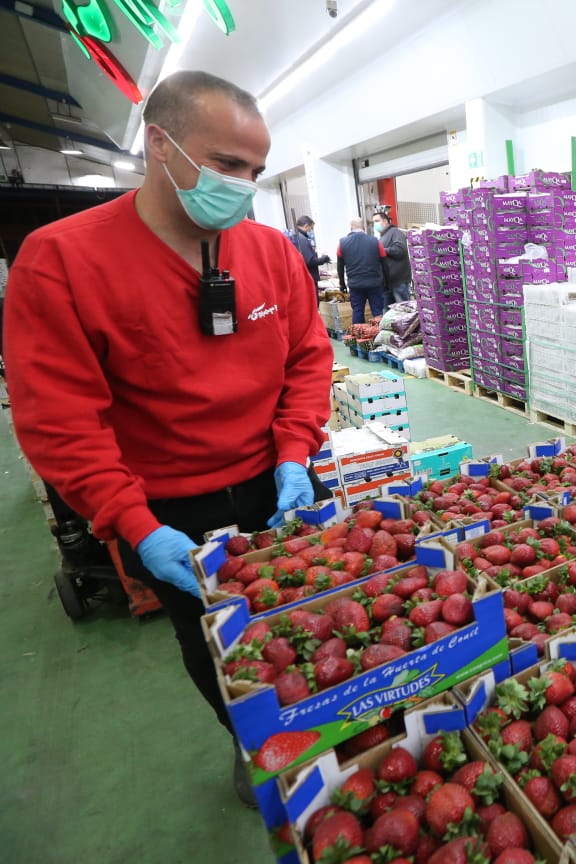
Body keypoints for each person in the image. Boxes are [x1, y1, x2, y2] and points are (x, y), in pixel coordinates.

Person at [2, 70, 333, 806]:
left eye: (255, 168)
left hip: (278, 480)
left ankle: (338, 728)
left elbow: (309, 357)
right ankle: (258, 750)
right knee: (218, 645)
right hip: (169, 512)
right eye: (225, 164)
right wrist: (131, 522)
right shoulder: (61, 262)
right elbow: (59, 420)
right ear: (161, 145)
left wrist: (294, 453)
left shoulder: (272, 254)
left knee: (320, 618)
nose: (243, 185)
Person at [337, 217, 387, 324]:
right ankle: (378, 337)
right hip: (374, 283)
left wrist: (342, 284)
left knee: (357, 311)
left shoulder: (342, 243)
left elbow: (340, 266)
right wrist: (386, 281)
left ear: (351, 228)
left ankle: (358, 338)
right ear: (363, 227)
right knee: (377, 312)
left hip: (355, 285)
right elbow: (384, 261)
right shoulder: (375, 241)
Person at [373, 209, 411, 304]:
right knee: (388, 313)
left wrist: (382, 250)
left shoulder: (395, 232)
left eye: (377, 221)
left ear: (385, 221)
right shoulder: (381, 237)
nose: (375, 224)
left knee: (403, 310)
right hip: (387, 283)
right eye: (374, 222)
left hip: (399, 281)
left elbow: (400, 250)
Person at [290, 215, 331, 288]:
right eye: (311, 229)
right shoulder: (302, 239)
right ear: (306, 226)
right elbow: (309, 261)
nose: (311, 231)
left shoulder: (294, 237)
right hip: (309, 277)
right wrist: (323, 259)